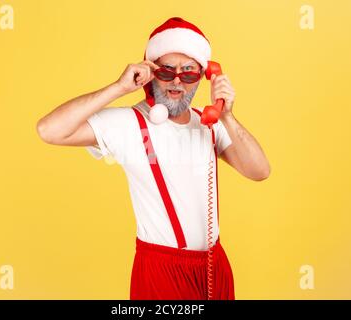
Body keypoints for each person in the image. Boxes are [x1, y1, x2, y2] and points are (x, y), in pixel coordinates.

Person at [36, 17, 271, 300]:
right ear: (150, 72)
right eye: (166, 70)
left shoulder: (208, 124)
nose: (176, 81)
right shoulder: (129, 123)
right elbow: (49, 130)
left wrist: (227, 115)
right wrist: (119, 88)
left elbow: (260, 170)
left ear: (204, 76)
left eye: (188, 72)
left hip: (213, 268)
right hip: (160, 273)